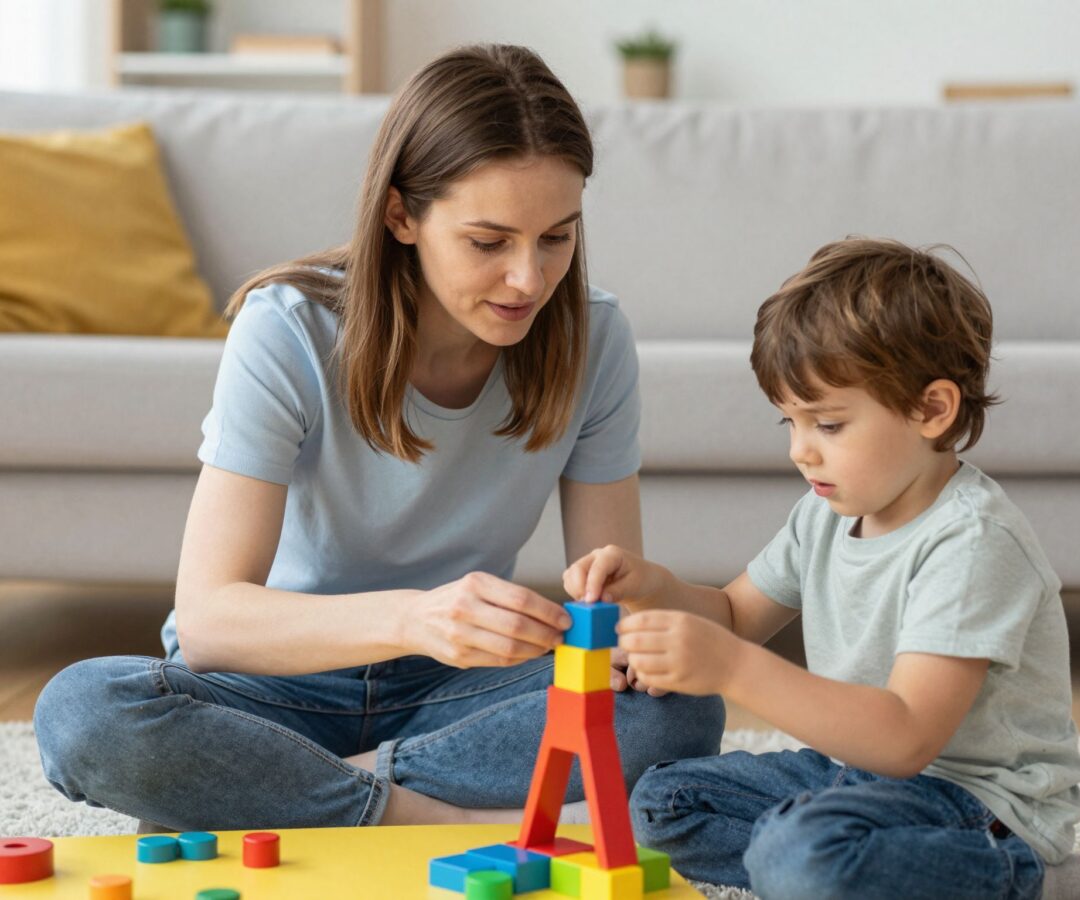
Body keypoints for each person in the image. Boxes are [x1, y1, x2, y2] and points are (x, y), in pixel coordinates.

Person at [33, 44, 722, 832]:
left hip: (457, 695)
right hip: (272, 688)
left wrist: (621, 631)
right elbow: (212, 622)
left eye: (556, 238)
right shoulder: (287, 331)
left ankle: (303, 792)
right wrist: (413, 617)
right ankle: (427, 815)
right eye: (488, 242)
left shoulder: (593, 339)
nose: (529, 280)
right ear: (401, 215)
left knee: (682, 705)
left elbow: (612, 612)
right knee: (83, 712)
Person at [564, 238, 1080, 899]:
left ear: (931, 410)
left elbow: (907, 738)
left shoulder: (972, 543)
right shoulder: (825, 512)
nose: (802, 452)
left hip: (977, 808)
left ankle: (1042, 884)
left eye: (828, 424)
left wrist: (733, 668)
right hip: (854, 777)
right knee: (662, 805)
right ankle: (843, 864)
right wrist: (652, 588)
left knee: (799, 857)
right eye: (790, 423)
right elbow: (738, 614)